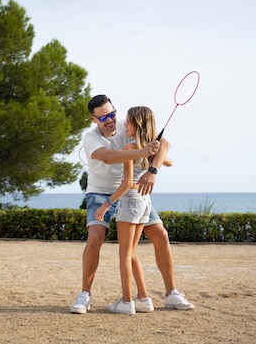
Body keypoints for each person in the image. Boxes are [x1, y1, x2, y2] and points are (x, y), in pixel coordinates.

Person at [69, 94, 194, 314]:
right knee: (96, 236)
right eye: (103, 117)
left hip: (132, 192)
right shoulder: (91, 139)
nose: (110, 120)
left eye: (112, 113)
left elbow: (164, 145)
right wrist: (144, 152)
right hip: (101, 192)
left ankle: (171, 293)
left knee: (161, 235)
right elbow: (108, 156)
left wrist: (153, 170)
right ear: (93, 119)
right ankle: (85, 295)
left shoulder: (126, 126)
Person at [94, 106, 157, 314]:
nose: (125, 125)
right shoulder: (150, 150)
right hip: (145, 204)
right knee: (132, 254)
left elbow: (127, 182)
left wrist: (106, 204)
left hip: (130, 204)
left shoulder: (130, 148)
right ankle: (144, 299)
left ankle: (126, 301)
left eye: (128, 122)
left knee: (124, 255)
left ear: (137, 125)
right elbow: (168, 160)